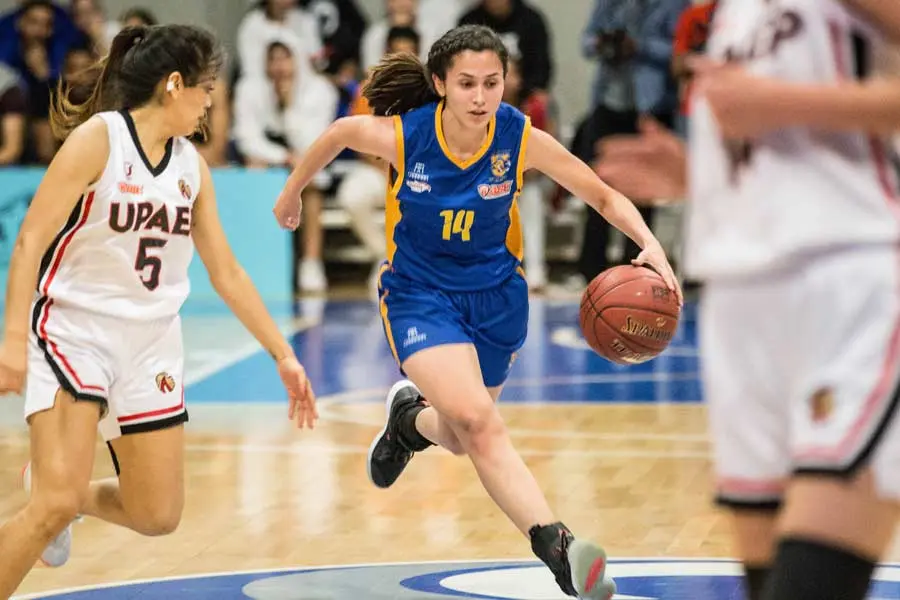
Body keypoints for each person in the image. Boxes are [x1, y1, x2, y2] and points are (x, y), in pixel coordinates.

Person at [274, 24, 681, 599]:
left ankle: (408, 422)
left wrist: (651, 244)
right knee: (481, 425)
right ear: (440, 83)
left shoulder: (518, 137)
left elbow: (604, 195)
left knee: (464, 436)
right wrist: (291, 193)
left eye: (492, 82)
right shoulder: (406, 136)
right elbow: (339, 132)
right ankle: (560, 548)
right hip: (419, 295)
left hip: (496, 299)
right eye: (466, 83)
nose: (481, 96)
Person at [593, 1, 900, 599]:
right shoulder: (730, 11)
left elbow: (778, 109)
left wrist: (781, 105)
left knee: (811, 584)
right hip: (740, 299)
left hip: (848, 281)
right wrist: (696, 175)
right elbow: (781, 149)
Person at [0, 23, 318, 598]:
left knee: (157, 514)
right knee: (53, 505)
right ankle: (55, 496)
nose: (208, 105)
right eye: (205, 91)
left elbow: (227, 273)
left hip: (150, 344)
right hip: (76, 332)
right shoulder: (100, 140)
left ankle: (62, 492)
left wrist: (283, 354)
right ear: (174, 85)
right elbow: (28, 243)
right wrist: (10, 344)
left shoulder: (190, 167)